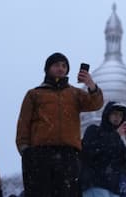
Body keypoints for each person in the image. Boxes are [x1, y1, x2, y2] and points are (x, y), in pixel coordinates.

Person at [16, 52, 104, 197]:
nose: (61, 68)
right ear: (48, 68)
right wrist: (25, 151)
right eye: (57, 65)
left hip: (68, 154)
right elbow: (23, 124)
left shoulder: (74, 93)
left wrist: (91, 85)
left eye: (64, 66)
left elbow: (96, 104)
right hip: (40, 154)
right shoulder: (34, 94)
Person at [81, 101, 126, 197]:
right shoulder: (93, 130)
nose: (117, 117)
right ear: (107, 114)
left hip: (113, 188)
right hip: (94, 184)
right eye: (114, 114)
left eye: (120, 115)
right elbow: (92, 152)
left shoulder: (119, 142)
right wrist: (115, 135)